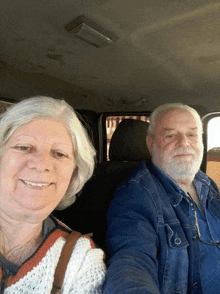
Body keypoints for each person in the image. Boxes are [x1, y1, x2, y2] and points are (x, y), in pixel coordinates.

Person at [103, 103, 220, 294]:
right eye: (171, 135)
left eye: (192, 134)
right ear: (151, 143)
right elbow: (131, 262)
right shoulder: (135, 196)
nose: (184, 143)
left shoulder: (204, 182)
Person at [0, 96, 106, 293]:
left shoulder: (81, 261)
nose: (41, 164)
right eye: (24, 147)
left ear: (74, 172)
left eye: (59, 154)